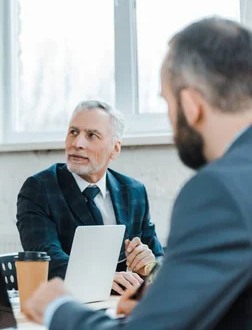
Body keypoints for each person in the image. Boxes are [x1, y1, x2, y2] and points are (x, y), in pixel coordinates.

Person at [24, 17, 252, 329]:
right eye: (73, 132)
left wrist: (57, 308)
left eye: (166, 102)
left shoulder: (217, 190)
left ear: (190, 105)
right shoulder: (40, 187)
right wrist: (155, 298)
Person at [16, 100, 163, 294]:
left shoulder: (134, 191)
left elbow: (160, 266)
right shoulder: (39, 189)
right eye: (73, 132)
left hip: (121, 306)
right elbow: (47, 257)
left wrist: (149, 267)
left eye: (91, 135)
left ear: (115, 149)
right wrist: (101, 278)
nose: (77, 144)